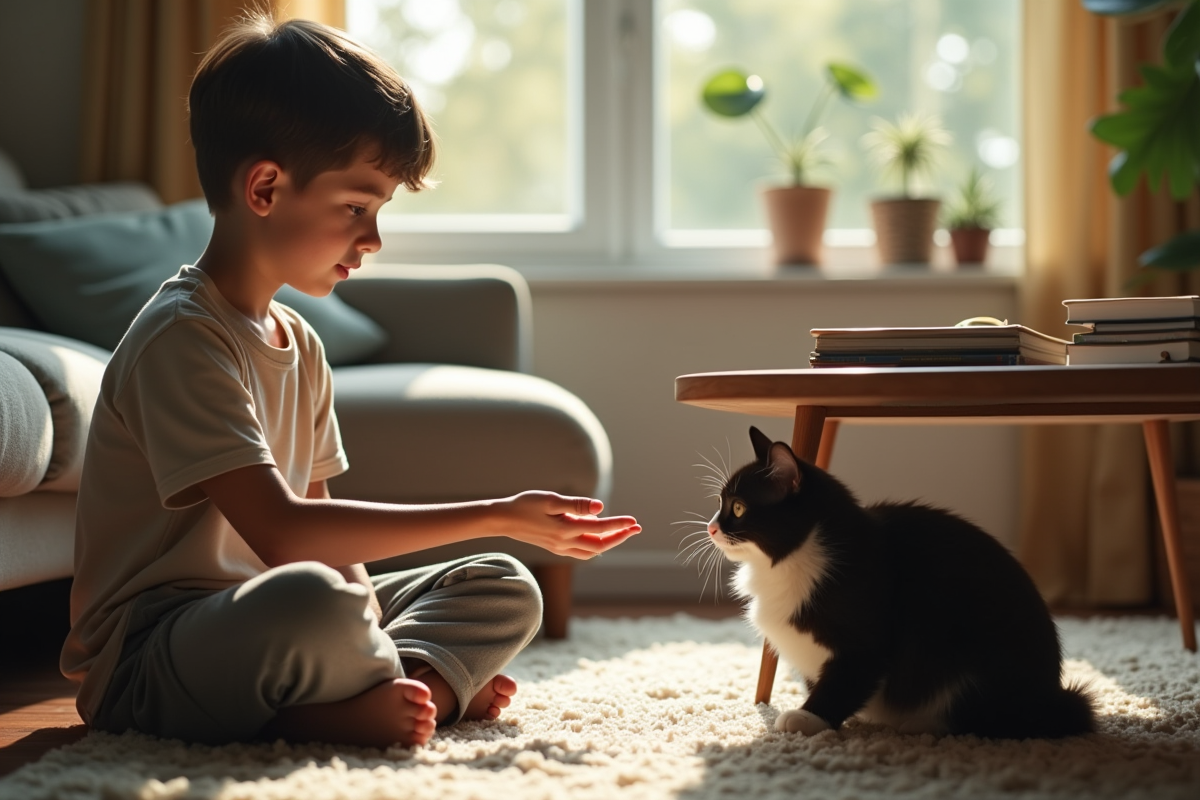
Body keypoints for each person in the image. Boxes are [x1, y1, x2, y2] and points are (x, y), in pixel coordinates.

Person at [59, 13, 640, 750]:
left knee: (501, 583)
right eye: (356, 208)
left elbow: (328, 536)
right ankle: (399, 692)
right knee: (314, 599)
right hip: (153, 655)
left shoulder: (300, 343)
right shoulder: (182, 339)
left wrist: (380, 612)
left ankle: (381, 694)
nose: (373, 239)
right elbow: (285, 533)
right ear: (265, 187)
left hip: (282, 609)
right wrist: (496, 511)